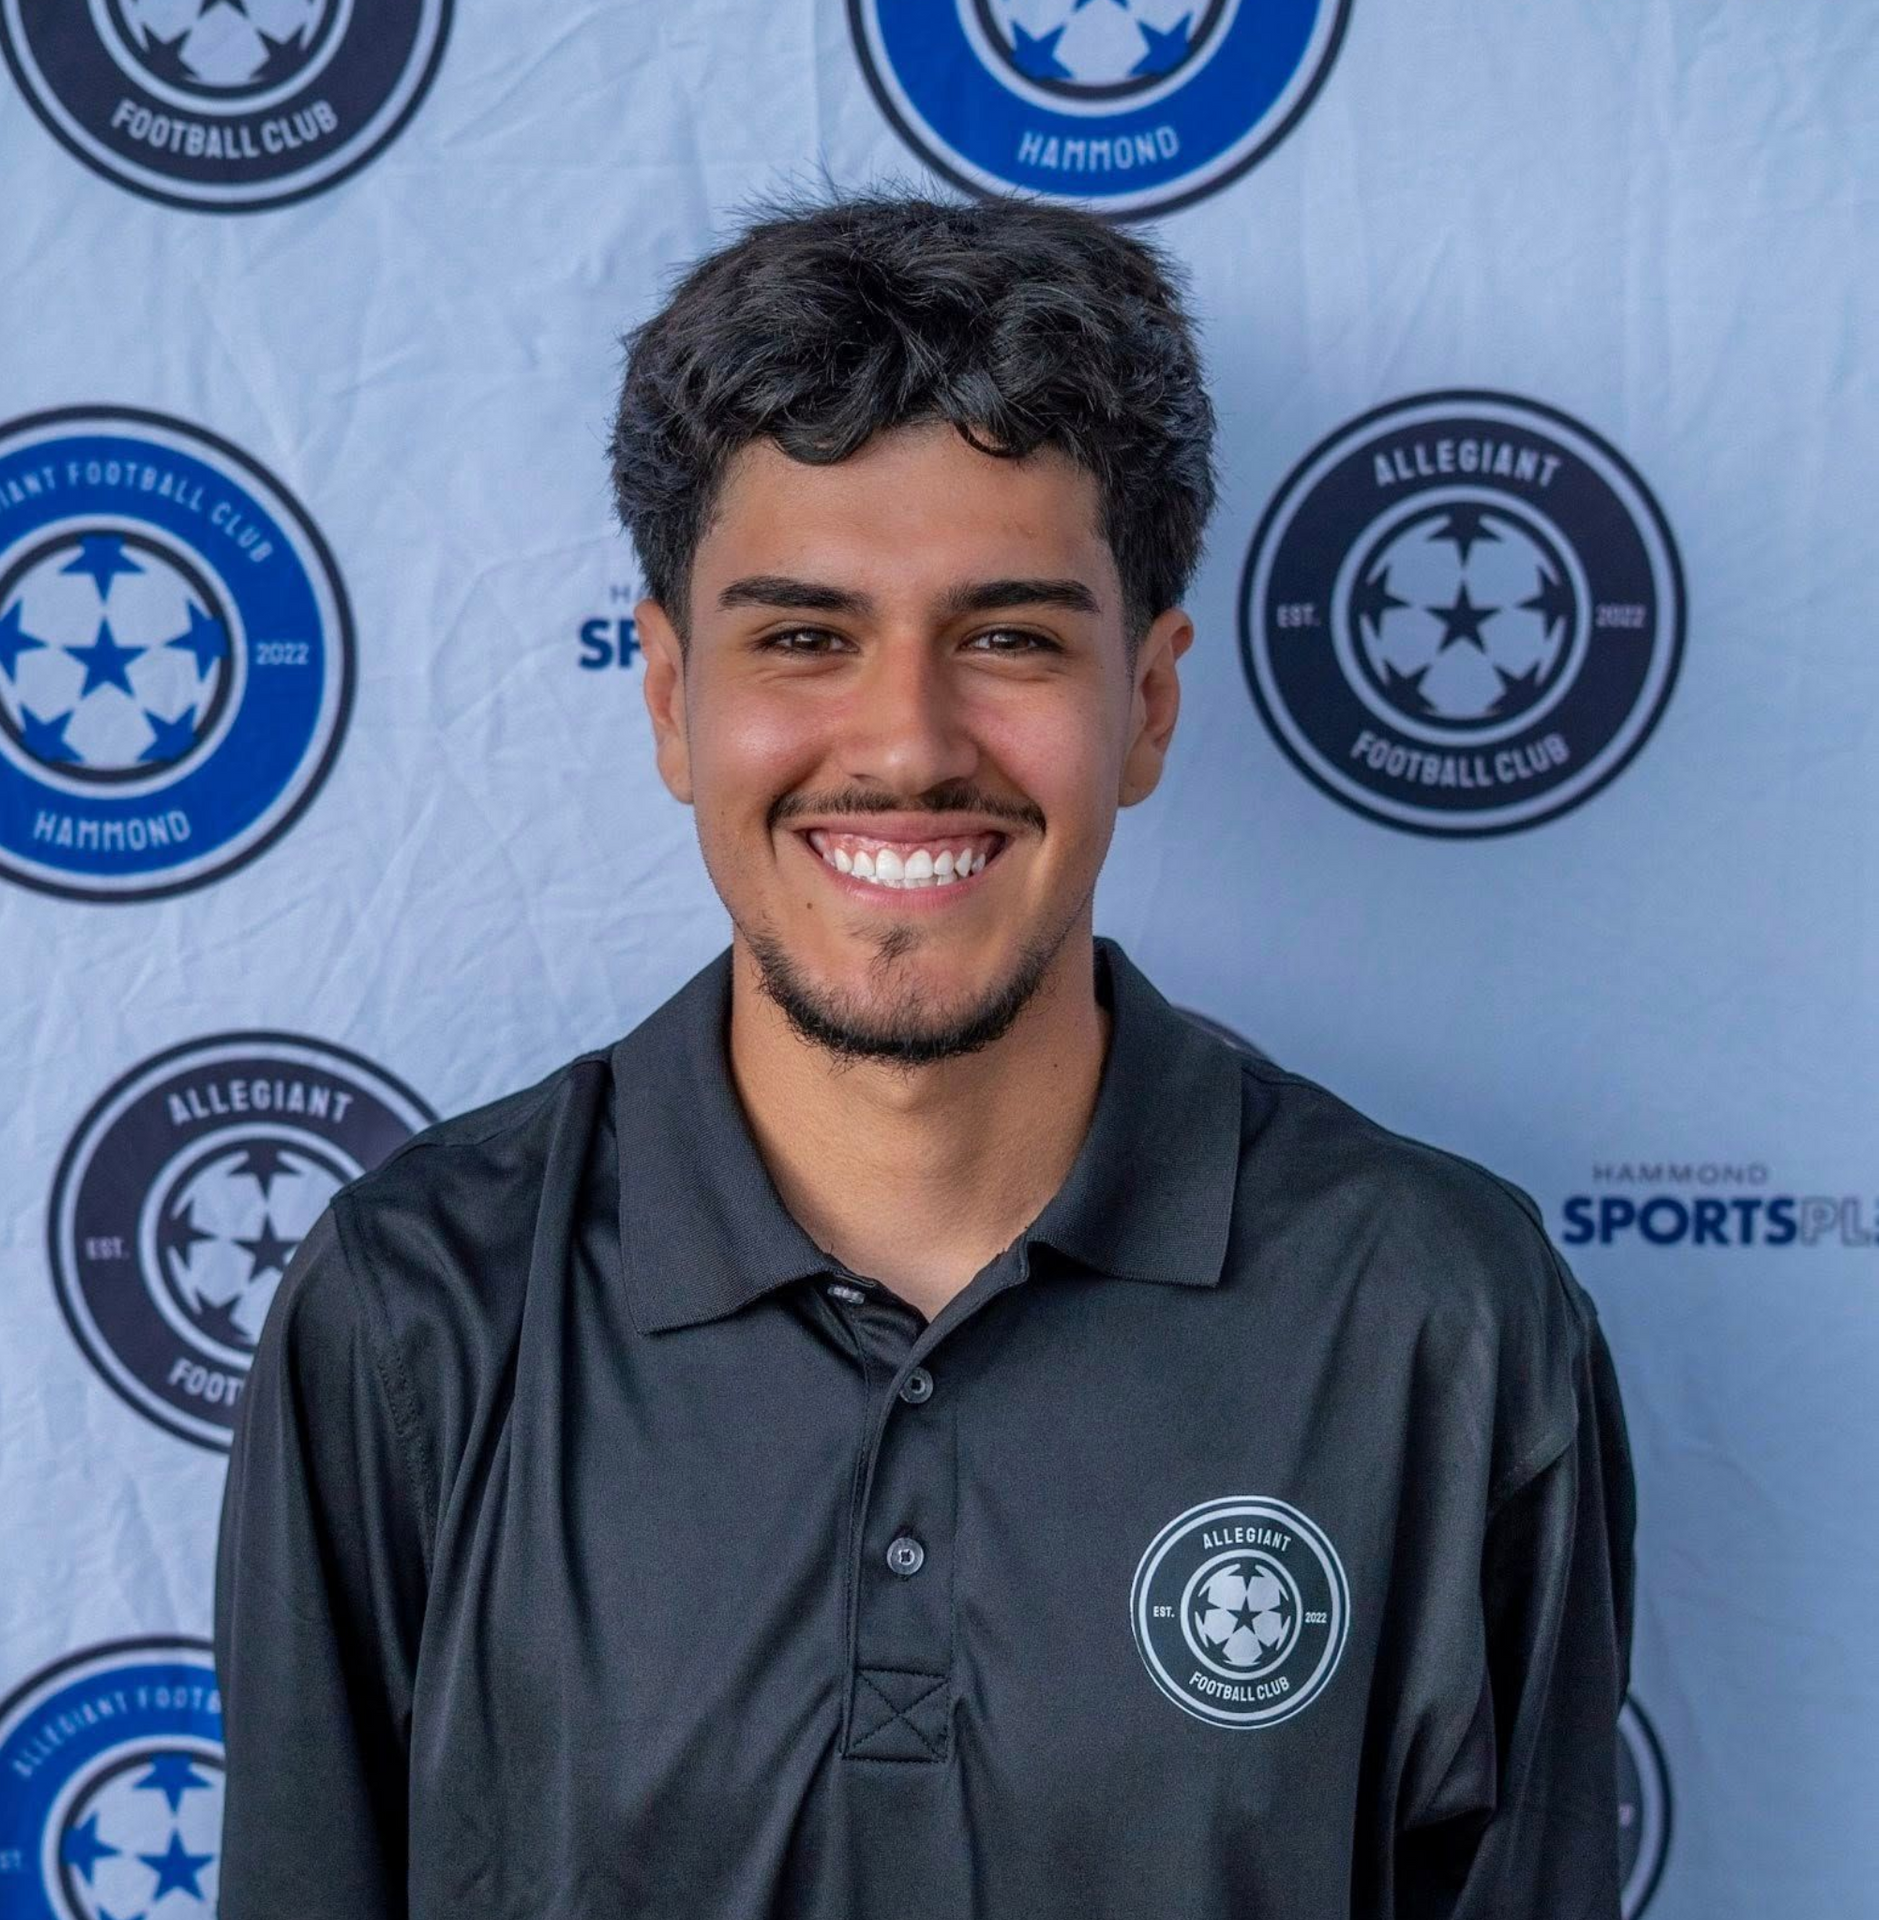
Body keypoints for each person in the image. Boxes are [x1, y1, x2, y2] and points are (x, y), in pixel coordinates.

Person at [213, 186, 1636, 1919]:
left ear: (1153, 704)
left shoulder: (1438, 1315)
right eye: (805, 637)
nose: (906, 741)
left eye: (1010, 637)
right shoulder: (417, 1306)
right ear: (670, 698)